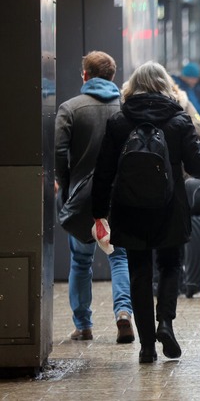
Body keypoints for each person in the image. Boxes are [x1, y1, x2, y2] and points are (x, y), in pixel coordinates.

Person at [92, 61, 200, 363]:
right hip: (170, 206)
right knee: (170, 264)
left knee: (139, 271)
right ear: (165, 85)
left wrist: (99, 212)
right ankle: (165, 322)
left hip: (128, 206)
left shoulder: (119, 121)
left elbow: (104, 170)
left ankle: (147, 346)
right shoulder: (178, 120)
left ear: (132, 86)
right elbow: (197, 162)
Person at [54, 51, 135, 344]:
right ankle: (124, 313)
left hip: (82, 198)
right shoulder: (125, 109)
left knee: (80, 260)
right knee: (120, 257)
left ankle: (83, 325)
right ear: (112, 76)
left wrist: (65, 185)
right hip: (119, 196)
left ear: (85, 75)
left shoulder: (70, 109)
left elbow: (60, 153)